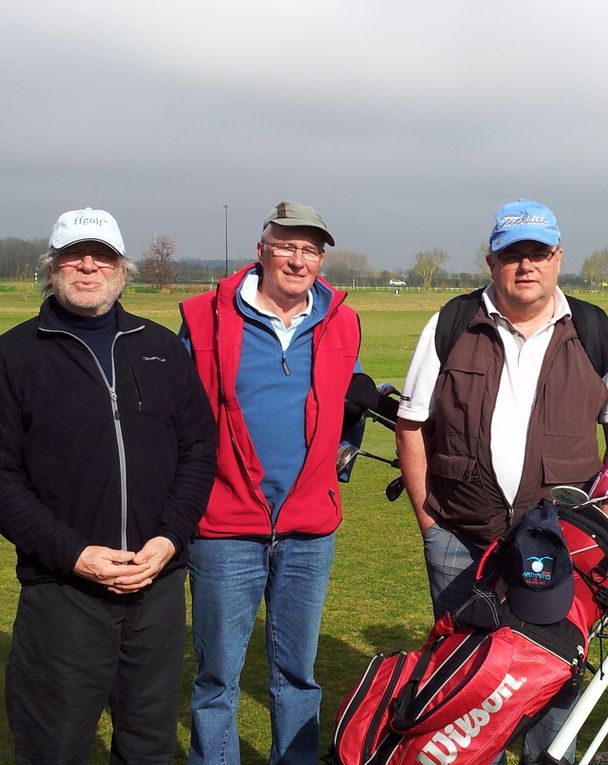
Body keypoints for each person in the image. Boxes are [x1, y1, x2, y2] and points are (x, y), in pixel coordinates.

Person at [395, 199, 608, 764]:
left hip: (561, 549)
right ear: (490, 261)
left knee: (551, 682)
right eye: (512, 255)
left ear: (558, 258)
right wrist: (430, 521)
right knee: (465, 682)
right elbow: (412, 426)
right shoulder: (452, 323)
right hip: (461, 538)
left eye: (538, 253)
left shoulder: (596, 330)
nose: (525, 266)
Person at [0, 208, 218, 764]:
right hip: (64, 590)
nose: (88, 265)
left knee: (148, 745)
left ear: (123, 268)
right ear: (52, 267)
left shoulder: (161, 347)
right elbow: (3, 479)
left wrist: (170, 538)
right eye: (74, 254)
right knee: (54, 746)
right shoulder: (14, 355)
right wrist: (73, 554)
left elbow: (197, 451)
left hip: (157, 585)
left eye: (103, 255)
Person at [179, 201, 361, 765]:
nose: (297, 259)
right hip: (224, 524)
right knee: (217, 677)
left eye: (310, 249)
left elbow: (345, 396)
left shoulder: (342, 319)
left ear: (321, 258)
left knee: (298, 675)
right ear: (261, 250)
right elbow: (177, 414)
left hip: (309, 528)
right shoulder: (206, 315)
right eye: (286, 245)